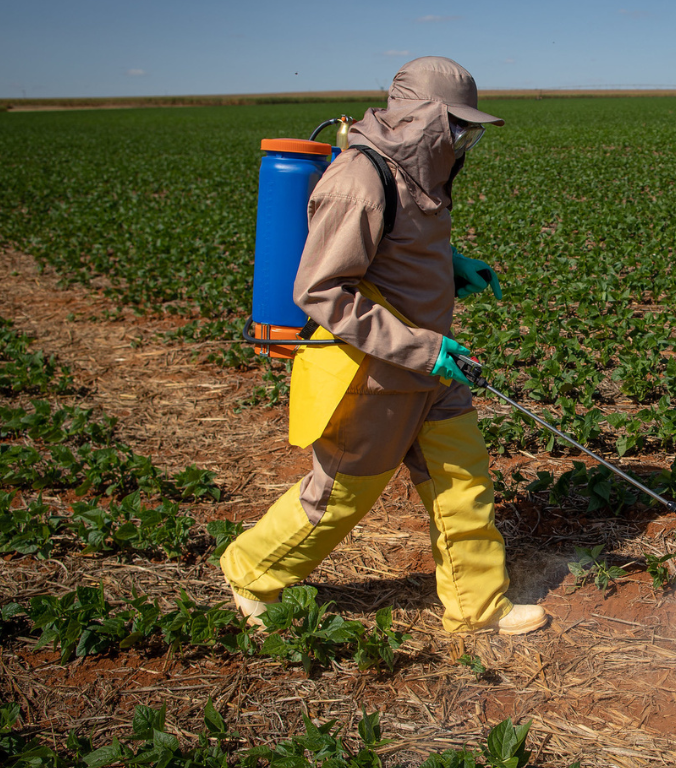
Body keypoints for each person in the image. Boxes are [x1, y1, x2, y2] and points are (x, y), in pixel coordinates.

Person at [219, 57, 547, 636]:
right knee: (339, 495)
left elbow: (400, 247)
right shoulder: (358, 182)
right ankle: (251, 574)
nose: (464, 138)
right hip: (375, 374)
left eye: (469, 128)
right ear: (421, 118)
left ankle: (477, 605)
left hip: (432, 364)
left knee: (463, 485)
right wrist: (421, 350)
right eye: (457, 125)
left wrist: (451, 265)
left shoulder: (421, 172)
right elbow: (321, 291)